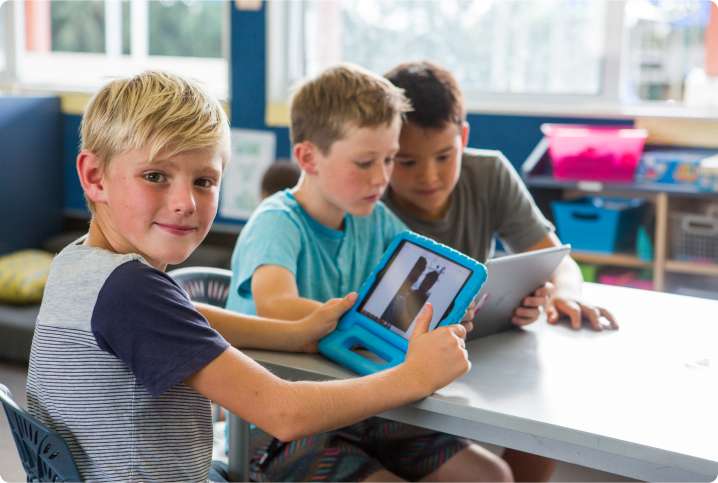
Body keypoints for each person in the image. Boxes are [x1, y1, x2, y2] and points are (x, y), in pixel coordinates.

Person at [25, 70, 474, 482]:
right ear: (94, 176)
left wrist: (295, 334)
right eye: (156, 176)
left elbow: (186, 316)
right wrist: (414, 377)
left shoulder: (79, 264)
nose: (186, 202)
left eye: (203, 181)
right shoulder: (132, 291)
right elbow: (283, 413)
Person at [227, 64, 512, 482]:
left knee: (492, 476)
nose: (382, 178)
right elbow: (276, 304)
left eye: (389, 160)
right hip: (279, 426)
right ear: (308, 157)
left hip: (362, 404)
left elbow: (414, 303)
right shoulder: (277, 222)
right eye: (364, 163)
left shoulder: (376, 220)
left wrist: (446, 316)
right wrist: (365, 318)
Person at [383, 60, 619, 481]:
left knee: (546, 418)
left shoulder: (488, 171)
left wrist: (561, 294)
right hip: (399, 368)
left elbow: (557, 260)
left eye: (443, 155)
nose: (430, 176)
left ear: (464, 137)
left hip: (476, 352)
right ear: (384, 149)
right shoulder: (370, 196)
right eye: (406, 162)